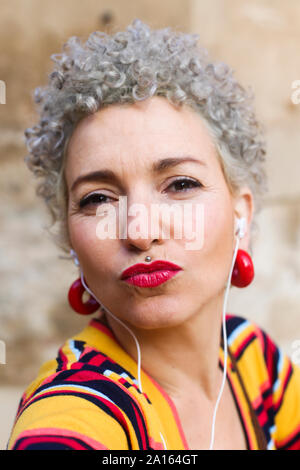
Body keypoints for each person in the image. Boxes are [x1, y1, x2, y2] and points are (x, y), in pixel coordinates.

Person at [7, 18, 300, 450]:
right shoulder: (67, 423)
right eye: (98, 199)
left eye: (180, 185)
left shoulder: (255, 361)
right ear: (71, 241)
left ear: (242, 213)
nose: (140, 232)